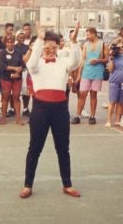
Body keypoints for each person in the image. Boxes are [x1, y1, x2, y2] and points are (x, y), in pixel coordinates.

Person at [20, 24, 81, 199]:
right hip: (40, 108)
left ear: (58, 47)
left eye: (54, 47)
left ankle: (67, 184)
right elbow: (29, 63)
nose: (50, 50)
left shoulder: (62, 62)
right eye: (47, 47)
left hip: (60, 109)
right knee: (34, 148)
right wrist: (39, 39)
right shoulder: (36, 63)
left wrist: (74, 42)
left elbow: (75, 62)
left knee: (63, 148)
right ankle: (27, 185)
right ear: (41, 47)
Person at [73, 27, 105, 125]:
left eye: (88, 34)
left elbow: (107, 59)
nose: (87, 36)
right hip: (86, 72)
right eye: (86, 34)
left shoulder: (102, 44)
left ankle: (92, 116)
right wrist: (79, 75)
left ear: (94, 34)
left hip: (97, 72)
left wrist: (98, 61)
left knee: (93, 95)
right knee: (82, 94)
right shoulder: (86, 45)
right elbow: (82, 60)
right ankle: (78, 116)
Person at [0, 35, 25, 125]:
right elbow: (2, 66)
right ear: (5, 43)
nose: (10, 44)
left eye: (12, 42)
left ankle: (18, 118)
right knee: (5, 97)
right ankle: (3, 118)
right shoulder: (2, 53)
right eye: (8, 42)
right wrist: (14, 69)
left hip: (17, 79)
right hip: (6, 78)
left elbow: (22, 66)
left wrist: (17, 73)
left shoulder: (18, 52)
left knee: (16, 97)